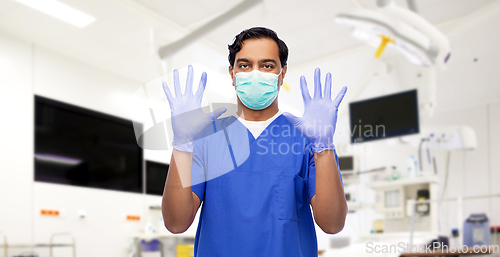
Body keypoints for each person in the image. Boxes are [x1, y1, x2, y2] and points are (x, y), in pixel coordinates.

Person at [161, 27, 348, 257]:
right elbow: (176, 223)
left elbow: (332, 224)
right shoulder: (205, 138)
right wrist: (181, 145)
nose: (255, 73)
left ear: (282, 73)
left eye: (267, 65)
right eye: (245, 65)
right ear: (232, 73)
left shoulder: (310, 140)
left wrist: (324, 148)